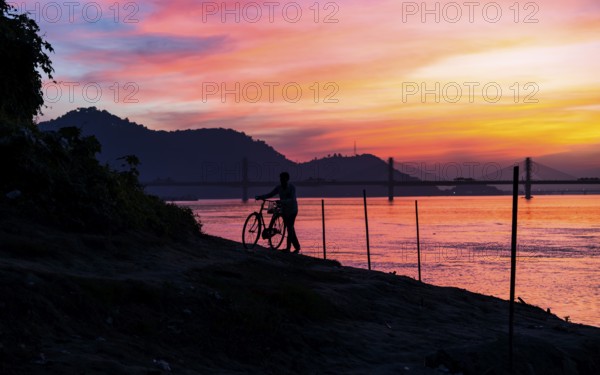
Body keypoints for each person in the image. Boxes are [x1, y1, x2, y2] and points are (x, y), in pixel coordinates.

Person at [256, 172, 301, 253]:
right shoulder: (279, 187)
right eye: (280, 179)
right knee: (290, 228)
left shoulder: (291, 187)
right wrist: (261, 197)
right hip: (284, 209)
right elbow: (271, 194)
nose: (281, 180)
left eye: (283, 179)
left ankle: (288, 248)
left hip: (292, 210)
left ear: (287, 179)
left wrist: (282, 201)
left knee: (289, 228)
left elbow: (292, 199)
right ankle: (297, 247)